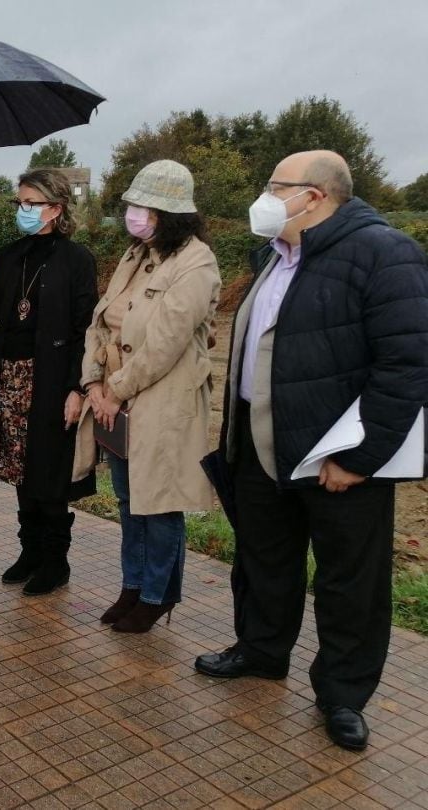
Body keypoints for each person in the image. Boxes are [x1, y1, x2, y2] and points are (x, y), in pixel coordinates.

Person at [195, 151, 428, 752]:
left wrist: (360, 456)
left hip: (336, 456)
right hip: (261, 442)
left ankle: (343, 694)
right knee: (264, 559)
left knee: (349, 579)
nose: (265, 197)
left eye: (276, 187)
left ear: (316, 196)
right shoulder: (273, 255)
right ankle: (262, 649)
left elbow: (406, 364)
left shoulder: (385, 253)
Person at [74, 160, 220, 632]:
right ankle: (132, 586)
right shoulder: (134, 256)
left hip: (160, 400)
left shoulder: (196, 263)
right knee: (127, 499)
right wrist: (93, 382)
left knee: (158, 502)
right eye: (132, 206)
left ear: (172, 213)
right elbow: (101, 322)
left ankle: (157, 595)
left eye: (146, 208)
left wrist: (113, 391)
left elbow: (164, 344)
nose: (135, 215)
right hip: (114, 398)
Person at [0, 168, 98, 595]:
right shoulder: (12, 254)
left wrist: (77, 388)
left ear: (55, 208)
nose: (24, 210)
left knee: (49, 472)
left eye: (32, 203)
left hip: (51, 380)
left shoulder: (77, 259)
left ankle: (56, 560)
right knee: (20, 468)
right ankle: (30, 550)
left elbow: (84, 329)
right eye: (20, 202)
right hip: (9, 376)